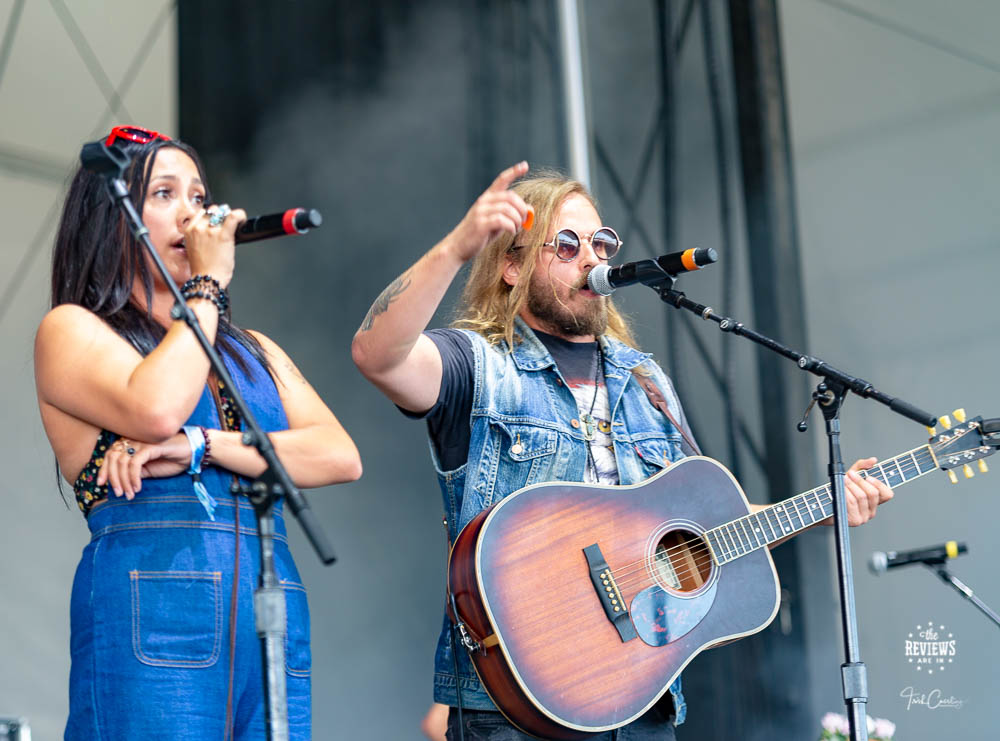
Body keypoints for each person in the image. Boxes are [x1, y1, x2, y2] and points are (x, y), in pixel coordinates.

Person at [351, 162, 892, 739]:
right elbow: (376, 354)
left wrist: (825, 506)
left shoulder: (647, 380)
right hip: (519, 705)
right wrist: (458, 247)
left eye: (601, 243)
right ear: (510, 265)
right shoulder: (480, 365)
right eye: (565, 244)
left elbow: (709, 528)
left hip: (642, 701)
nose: (592, 259)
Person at [34, 125, 362, 740]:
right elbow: (156, 408)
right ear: (114, 218)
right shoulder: (72, 330)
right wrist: (205, 288)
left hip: (269, 605)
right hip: (154, 605)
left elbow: (339, 455)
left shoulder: (252, 351)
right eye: (164, 193)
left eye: (199, 194)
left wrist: (203, 446)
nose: (193, 211)